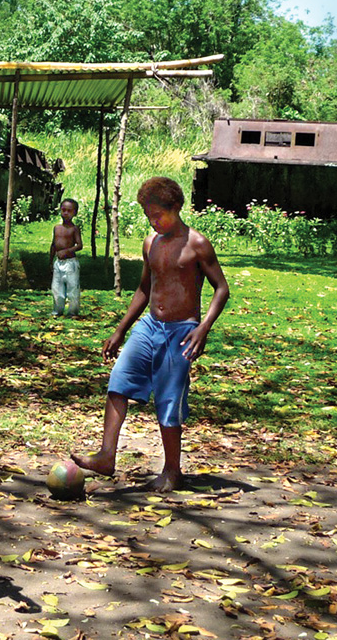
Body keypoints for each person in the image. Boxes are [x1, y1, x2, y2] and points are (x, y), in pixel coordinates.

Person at [72, 177, 230, 492]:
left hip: (182, 330)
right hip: (149, 325)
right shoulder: (151, 243)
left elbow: (222, 289)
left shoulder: (196, 244)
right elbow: (145, 288)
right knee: (119, 381)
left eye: (158, 215)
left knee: (168, 400)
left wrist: (203, 327)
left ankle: (172, 470)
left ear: (176, 208)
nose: (154, 222)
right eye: (149, 217)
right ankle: (106, 456)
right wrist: (121, 329)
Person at [49, 198, 83, 317]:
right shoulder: (57, 228)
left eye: (69, 211)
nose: (66, 213)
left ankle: (73, 312)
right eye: (63, 210)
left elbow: (79, 245)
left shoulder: (74, 229)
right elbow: (53, 244)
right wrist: (50, 260)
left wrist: (67, 251)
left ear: (75, 213)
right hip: (58, 263)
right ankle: (57, 311)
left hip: (70, 264)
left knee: (72, 289)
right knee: (56, 289)